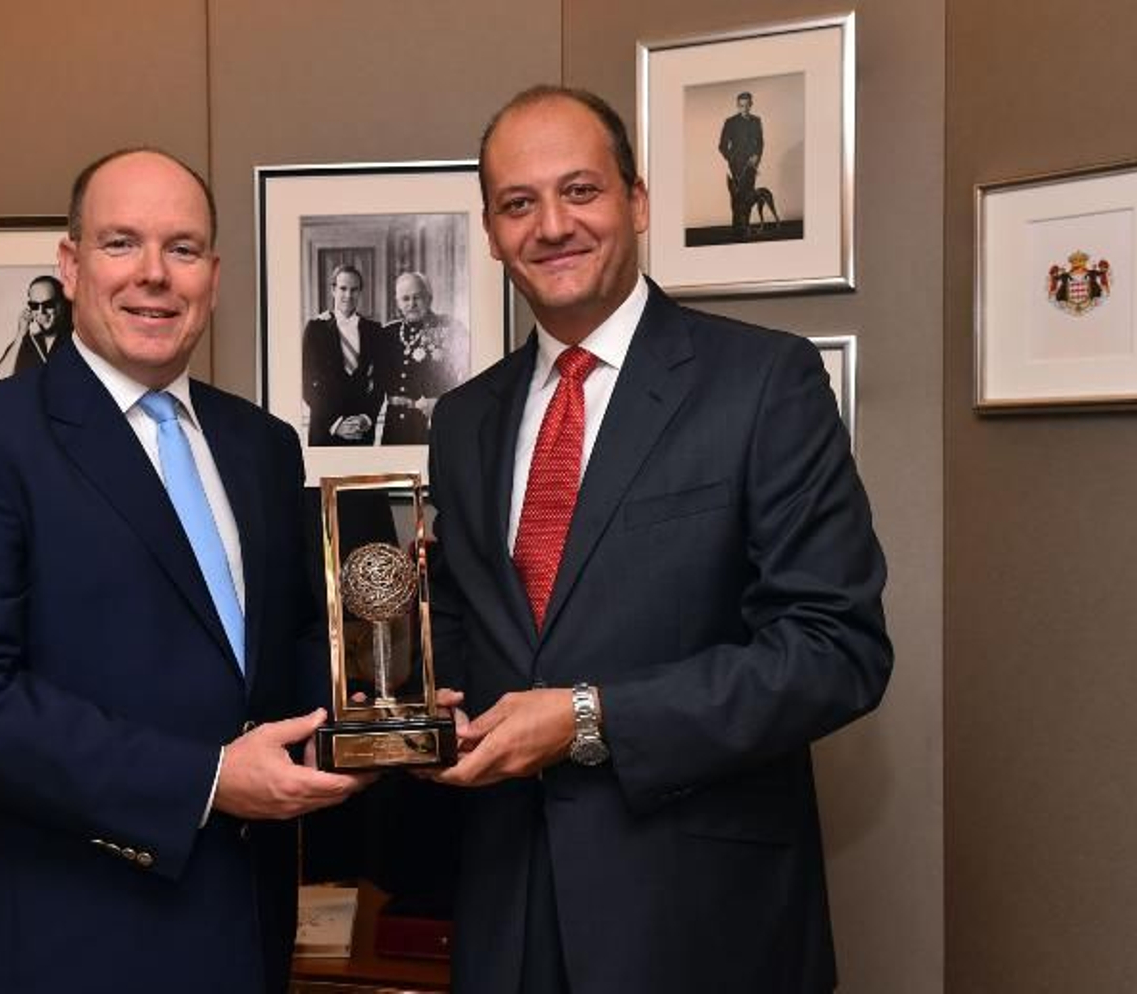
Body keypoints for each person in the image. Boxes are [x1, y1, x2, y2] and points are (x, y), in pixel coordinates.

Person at [424, 86, 891, 994]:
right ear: (490, 231)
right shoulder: (464, 419)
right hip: (507, 912)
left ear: (636, 203)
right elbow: (464, 622)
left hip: (701, 919)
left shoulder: (764, 383)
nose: (552, 225)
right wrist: (414, 704)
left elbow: (838, 651)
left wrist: (589, 718)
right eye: (519, 204)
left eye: (580, 191)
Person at [0, 148, 370, 994]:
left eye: (182, 249)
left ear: (213, 277)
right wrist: (209, 781)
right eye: (122, 244)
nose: (154, 275)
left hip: (244, 929)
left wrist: (377, 697)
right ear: (70, 266)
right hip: (63, 938)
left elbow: (275, 654)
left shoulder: (260, 445)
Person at [301, 263, 387, 445]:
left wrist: (366, 418)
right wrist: (336, 424)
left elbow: (380, 383)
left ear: (360, 292)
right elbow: (307, 383)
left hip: (361, 431)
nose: (348, 295)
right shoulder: (315, 329)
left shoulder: (374, 330)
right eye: (343, 288)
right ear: (333, 290)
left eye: (354, 290)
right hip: (326, 430)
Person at [378, 271, 466, 445]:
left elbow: (470, 376)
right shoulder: (388, 333)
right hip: (397, 427)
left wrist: (442, 405)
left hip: (434, 424)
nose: (412, 304)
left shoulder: (451, 328)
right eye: (405, 299)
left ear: (429, 298)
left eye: (417, 297)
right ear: (397, 303)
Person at [0, 274, 73, 379]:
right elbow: (0, 379)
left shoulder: (78, 341)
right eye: (35, 306)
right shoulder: (25, 342)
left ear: (61, 304)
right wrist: (20, 334)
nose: (41, 312)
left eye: (48, 304)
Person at [718, 91, 764, 238]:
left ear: (751, 105)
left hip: (751, 166)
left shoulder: (757, 120)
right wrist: (732, 159)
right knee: (737, 198)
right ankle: (737, 229)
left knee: (748, 197)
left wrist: (757, 156)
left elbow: (760, 142)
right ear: (737, 106)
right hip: (736, 166)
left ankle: (746, 228)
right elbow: (722, 146)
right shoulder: (730, 122)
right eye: (740, 105)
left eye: (746, 105)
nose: (743, 108)